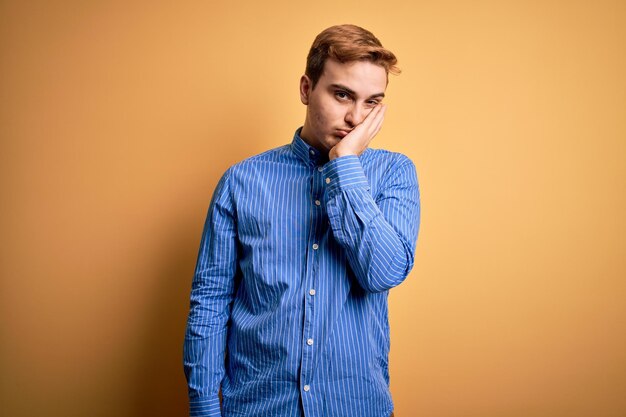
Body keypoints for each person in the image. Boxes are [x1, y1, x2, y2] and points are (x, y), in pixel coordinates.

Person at [183, 24, 420, 417]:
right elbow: (210, 302)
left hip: (356, 406)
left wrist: (345, 166)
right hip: (258, 406)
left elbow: (383, 273)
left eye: (371, 102)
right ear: (307, 89)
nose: (355, 117)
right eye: (342, 95)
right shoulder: (242, 181)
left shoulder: (394, 174)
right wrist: (205, 408)